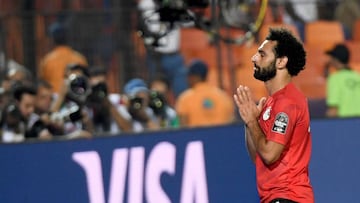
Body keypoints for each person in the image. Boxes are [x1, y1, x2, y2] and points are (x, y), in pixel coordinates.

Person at [233, 28, 314, 202]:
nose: (254, 58)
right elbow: (258, 157)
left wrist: (254, 123)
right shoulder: (273, 102)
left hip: (287, 196)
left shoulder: (287, 103)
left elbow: (269, 155)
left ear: (281, 62)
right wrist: (250, 122)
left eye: (262, 55)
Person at [175, 59, 235, 127]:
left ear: (194, 77)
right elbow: (231, 121)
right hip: (222, 137)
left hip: (196, 137)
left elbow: (183, 128)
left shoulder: (185, 99)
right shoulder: (223, 97)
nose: (187, 79)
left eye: (188, 76)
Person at [38, 22, 88, 94]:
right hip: (77, 96)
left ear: (52, 39)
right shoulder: (79, 58)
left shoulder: (47, 60)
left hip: (54, 100)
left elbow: (43, 84)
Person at [324, 43, 360, 117]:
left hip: (344, 124)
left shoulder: (334, 79)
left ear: (336, 59)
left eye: (331, 57)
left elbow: (333, 111)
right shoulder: (358, 77)